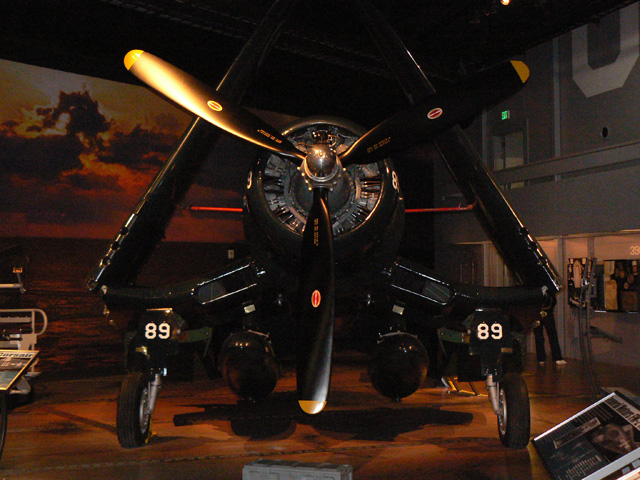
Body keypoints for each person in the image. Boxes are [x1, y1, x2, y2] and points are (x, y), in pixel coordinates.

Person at [533, 295, 566, 366]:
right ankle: (542, 358)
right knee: (540, 335)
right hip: (538, 310)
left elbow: (553, 299)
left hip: (546, 310)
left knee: (551, 334)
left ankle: (555, 357)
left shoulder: (548, 289)